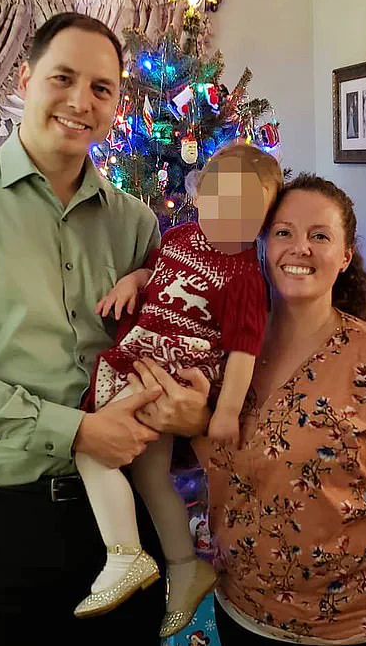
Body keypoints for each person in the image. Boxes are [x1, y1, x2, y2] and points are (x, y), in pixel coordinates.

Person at [0, 12, 208, 646]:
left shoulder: (137, 224)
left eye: (101, 88)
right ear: (24, 78)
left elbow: (170, 346)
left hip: (118, 528)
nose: (81, 101)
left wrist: (193, 408)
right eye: (63, 78)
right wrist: (80, 431)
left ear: (117, 104)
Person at [128, 174, 366, 646]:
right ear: (263, 245)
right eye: (284, 232)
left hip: (360, 628)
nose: (299, 248)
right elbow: (209, 455)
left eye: (319, 236)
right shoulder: (219, 349)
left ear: (345, 256)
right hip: (242, 614)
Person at [73, 142, 282, 638]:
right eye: (222, 202)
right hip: (148, 355)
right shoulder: (180, 236)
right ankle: (185, 566)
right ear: (201, 194)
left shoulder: (244, 276)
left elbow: (244, 351)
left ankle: (125, 553)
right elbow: (160, 270)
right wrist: (133, 280)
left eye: (248, 212)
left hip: (174, 367)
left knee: (90, 447)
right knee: (151, 475)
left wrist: (225, 412)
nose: (230, 219)